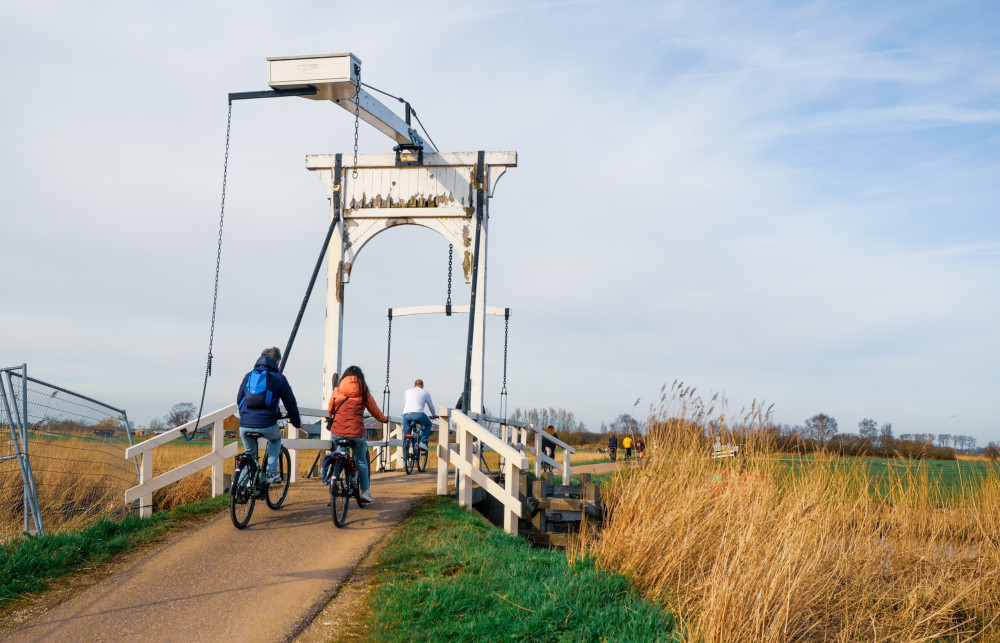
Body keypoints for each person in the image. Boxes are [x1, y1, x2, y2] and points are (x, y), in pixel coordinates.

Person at [237, 346, 301, 484]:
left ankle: (239, 489)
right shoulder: (279, 378)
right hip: (266, 424)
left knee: (249, 455)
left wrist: (245, 416)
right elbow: (291, 403)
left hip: (244, 424)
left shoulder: (249, 375)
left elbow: (239, 399)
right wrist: (296, 422)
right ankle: (271, 473)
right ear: (277, 363)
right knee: (275, 440)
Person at [328, 365, 387, 504]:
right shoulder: (363, 390)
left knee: (339, 454)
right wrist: (384, 419)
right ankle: (365, 491)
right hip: (356, 434)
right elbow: (375, 411)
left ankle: (334, 484)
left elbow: (330, 408)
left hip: (337, 432)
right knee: (361, 461)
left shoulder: (337, 389)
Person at [402, 379, 436, 451]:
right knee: (428, 424)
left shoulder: (407, 392)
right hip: (419, 414)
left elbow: (404, 404)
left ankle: (405, 459)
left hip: (406, 415)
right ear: (422, 386)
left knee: (406, 437)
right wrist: (434, 415)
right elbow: (431, 406)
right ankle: (422, 442)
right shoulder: (425, 392)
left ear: (414, 386)